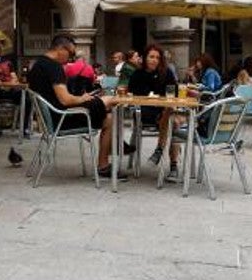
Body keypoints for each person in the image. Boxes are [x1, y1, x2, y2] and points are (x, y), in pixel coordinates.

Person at [28, 35, 126, 179]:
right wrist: (82, 98)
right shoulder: (54, 67)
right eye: (71, 54)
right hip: (61, 119)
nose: (71, 59)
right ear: (61, 49)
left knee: (109, 115)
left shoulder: (37, 65)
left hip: (51, 119)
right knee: (111, 101)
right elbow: (66, 100)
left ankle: (115, 151)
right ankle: (107, 161)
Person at [122, 45, 181, 178]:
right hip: (144, 113)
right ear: (144, 58)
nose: (154, 60)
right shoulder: (137, 74)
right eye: (151, 57)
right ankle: (173, 166)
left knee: (171, 119)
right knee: (174, 123)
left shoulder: (166, 73)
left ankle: (161, 151)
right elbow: (131, 95)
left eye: (157, 58)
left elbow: (174, 93)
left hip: (163, 112)